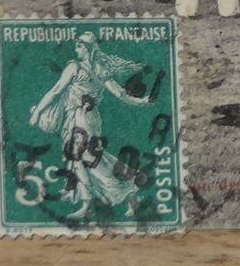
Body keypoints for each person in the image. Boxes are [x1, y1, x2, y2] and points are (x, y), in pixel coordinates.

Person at [27, 33, 152, 219]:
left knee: (90, 159)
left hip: (81, 119)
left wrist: (37, 113)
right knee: (80, 159)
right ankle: (95, 202)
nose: (76, 49)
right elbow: (120, 94)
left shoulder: (74, 67)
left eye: (79, 46)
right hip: (87, 118)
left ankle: (124, 192)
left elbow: (55, 91)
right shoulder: (100, 69)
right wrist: (141, 101)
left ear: (89, 48)